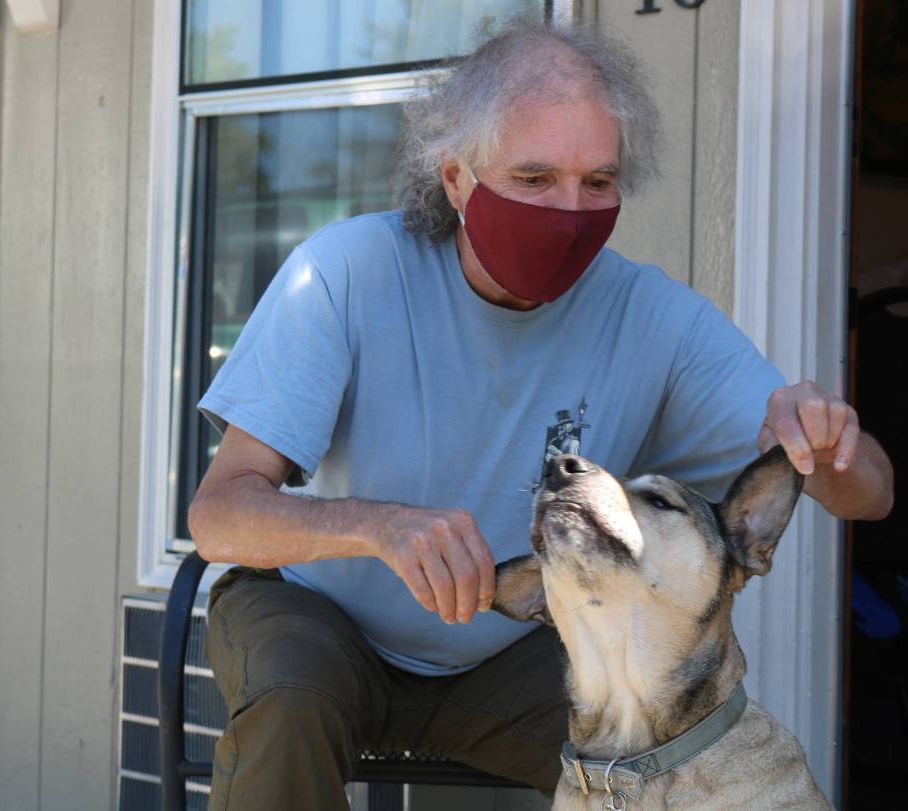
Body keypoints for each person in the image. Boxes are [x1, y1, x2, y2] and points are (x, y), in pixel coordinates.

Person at [189, 21, 894, 811]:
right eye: (533, 177)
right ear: (456, 178)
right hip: (320, 617)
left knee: (679, 743)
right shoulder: (343, 272)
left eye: (598, 182)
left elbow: (871, 494)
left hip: (513, 647)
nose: (570, 209)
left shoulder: (654, 317)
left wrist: (830, 447)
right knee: (290, 703)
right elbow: (220, 515)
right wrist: (379, 525)